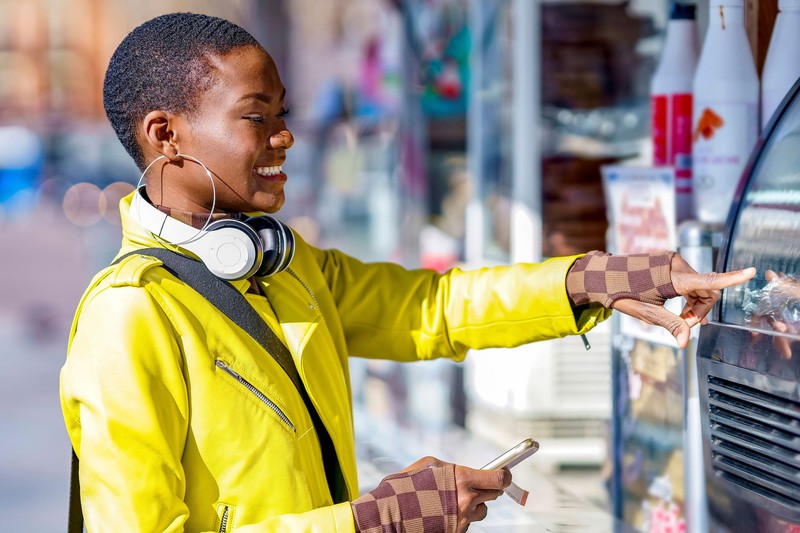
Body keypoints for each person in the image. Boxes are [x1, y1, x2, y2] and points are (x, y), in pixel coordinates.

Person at [60, 12, 756, 533]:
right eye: (256, 116)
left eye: (284, 115)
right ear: (164, 134)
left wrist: (588, 280)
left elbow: (433, 308)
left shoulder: (287, 265)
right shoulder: (129, 315)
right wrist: (372, 520)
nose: (285, 137)